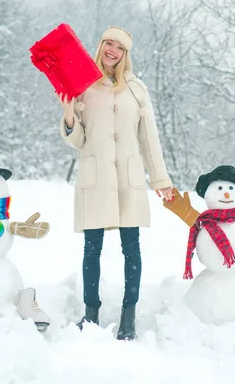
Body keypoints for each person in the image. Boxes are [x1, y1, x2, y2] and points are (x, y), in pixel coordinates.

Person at [57, 26, 174, 340]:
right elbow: (78, 139)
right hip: (95, 178)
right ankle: (91, 313)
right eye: (108, 43)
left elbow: (149, 138)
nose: (112, 50)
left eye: (119, 47)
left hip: (128, 177)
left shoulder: (137, 89)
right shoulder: (83, 85)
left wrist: (160, 177)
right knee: (92, 249)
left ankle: (128, 316)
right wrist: (69, 113)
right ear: (100, 46)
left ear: (125, 54)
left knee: (131, 249)